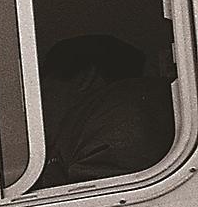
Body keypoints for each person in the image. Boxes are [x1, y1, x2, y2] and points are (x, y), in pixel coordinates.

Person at [37, 34, 174, 187]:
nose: (41, 101)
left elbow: (95, 198)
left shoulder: (119, 117)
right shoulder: (149, 103)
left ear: (85, 78)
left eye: (44, 86)